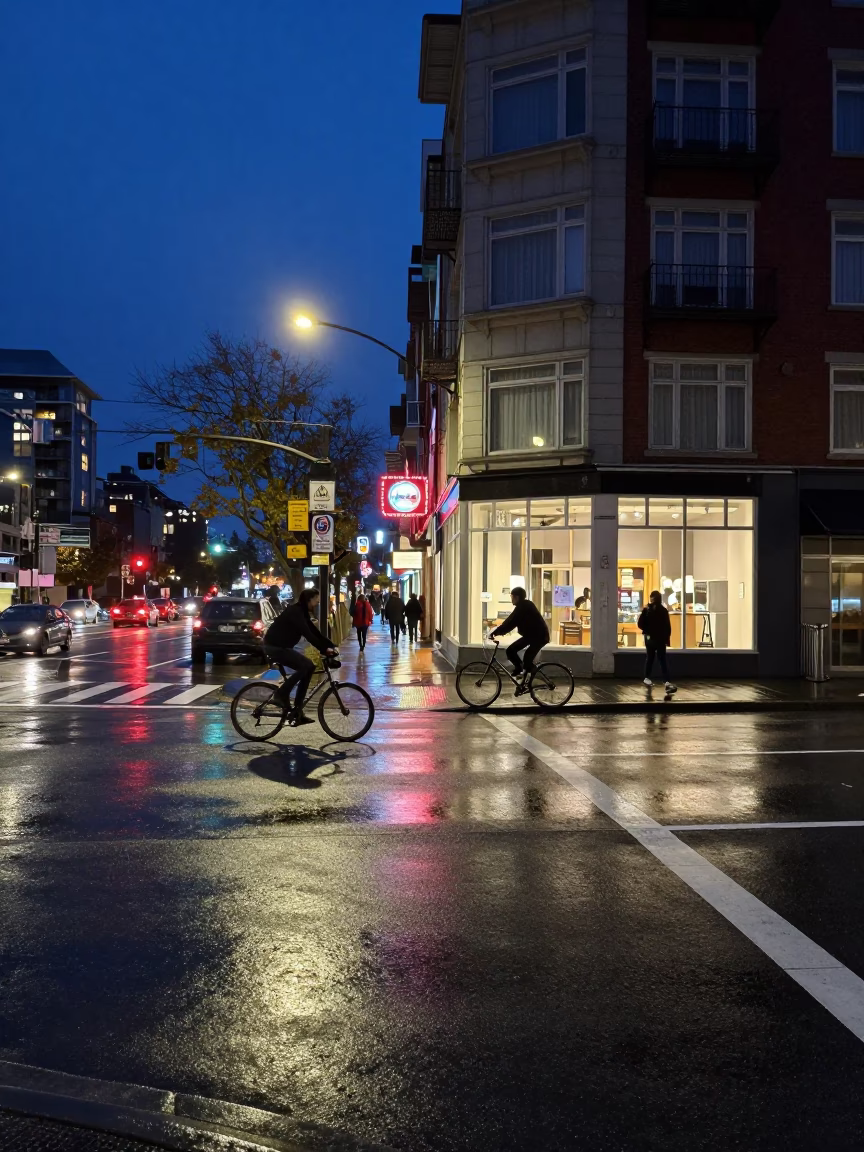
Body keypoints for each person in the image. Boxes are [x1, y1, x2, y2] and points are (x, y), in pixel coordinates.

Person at [263, 588, 337, 725]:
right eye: (316, 600)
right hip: (275, 647)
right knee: (306, 666)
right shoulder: (295, 612)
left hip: (282, 646)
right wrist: (323, 650)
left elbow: (314, 631)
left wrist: (331, 645)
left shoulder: (302, 612)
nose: (317, 603)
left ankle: (298, 711)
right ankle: (280, 693)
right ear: (309, 600)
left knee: (309, 667)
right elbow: (308, 635)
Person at [489, 587, 549, 692]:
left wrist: (497, 632)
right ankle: (523, 676)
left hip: (539, 637)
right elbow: (510, 620)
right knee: (512, 651)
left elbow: (511, 622)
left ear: (517, 597)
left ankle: (531, 676)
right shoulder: (522, 606)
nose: (511, 599)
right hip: (531, 635)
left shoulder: (524, 606)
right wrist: (498, 631)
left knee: (525, 658)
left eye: (512, 597)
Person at [638, 590, 677, 693]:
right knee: (662, 659)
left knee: (650, 658)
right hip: (660, 639)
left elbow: (640, 624)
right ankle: (666, 681)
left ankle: (647, 677)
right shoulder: (663, 611)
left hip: (649, 638)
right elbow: (667, 627)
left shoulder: (647, 610)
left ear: (651, 598)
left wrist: (648, 631)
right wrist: (666, 638)